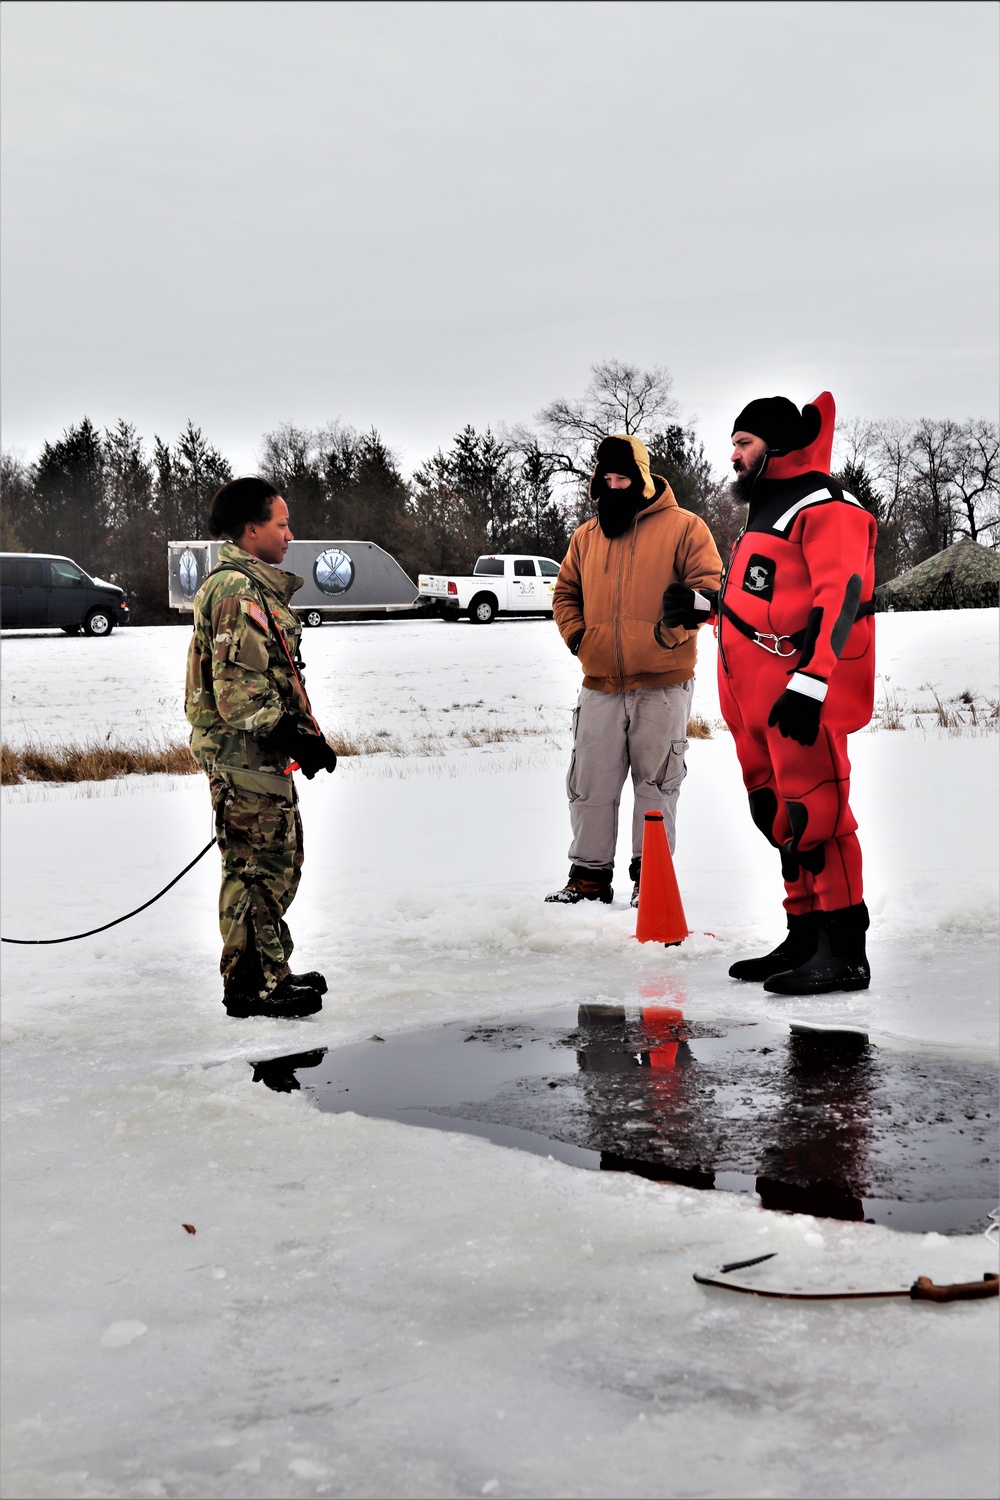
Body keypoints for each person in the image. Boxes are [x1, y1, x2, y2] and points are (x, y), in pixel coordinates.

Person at [663, 392, 877, 994]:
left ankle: (844, 951)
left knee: (819, 816)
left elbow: (842, 597)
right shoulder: (765, 509)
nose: (733, 454)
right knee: (778, 815)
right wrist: (705, 608)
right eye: (733, 441)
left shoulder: (827, 505)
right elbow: (765, 601)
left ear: (776, 446)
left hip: (798, 694)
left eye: (743, 443)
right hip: (754, 699)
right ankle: (804, 936)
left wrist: (811, 684)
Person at [548, 434, 723, 906]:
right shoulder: (586, 537)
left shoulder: (686, 528)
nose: (612, 485)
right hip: (600, 683)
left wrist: (679, 623)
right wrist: (580, 639)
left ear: (642, 479)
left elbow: (710, 590)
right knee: (590, 783)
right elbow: (564, 594)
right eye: (604, 479)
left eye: (621, 477)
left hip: (662, 683)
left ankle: (653, 881)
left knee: (657, 785)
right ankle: (588, 880)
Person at [185, 477, 337, 1018]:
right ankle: (251, 985)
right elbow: (238, 692)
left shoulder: (254, 588)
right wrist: (290, 733)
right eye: (281, 523)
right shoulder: (235, 592)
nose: (290, 534)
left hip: (260, 755)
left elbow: (270, 676)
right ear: (251, 531)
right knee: (255, 867)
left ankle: (270, 971)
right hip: (243, 757)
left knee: (276, 862)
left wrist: (306, 736)